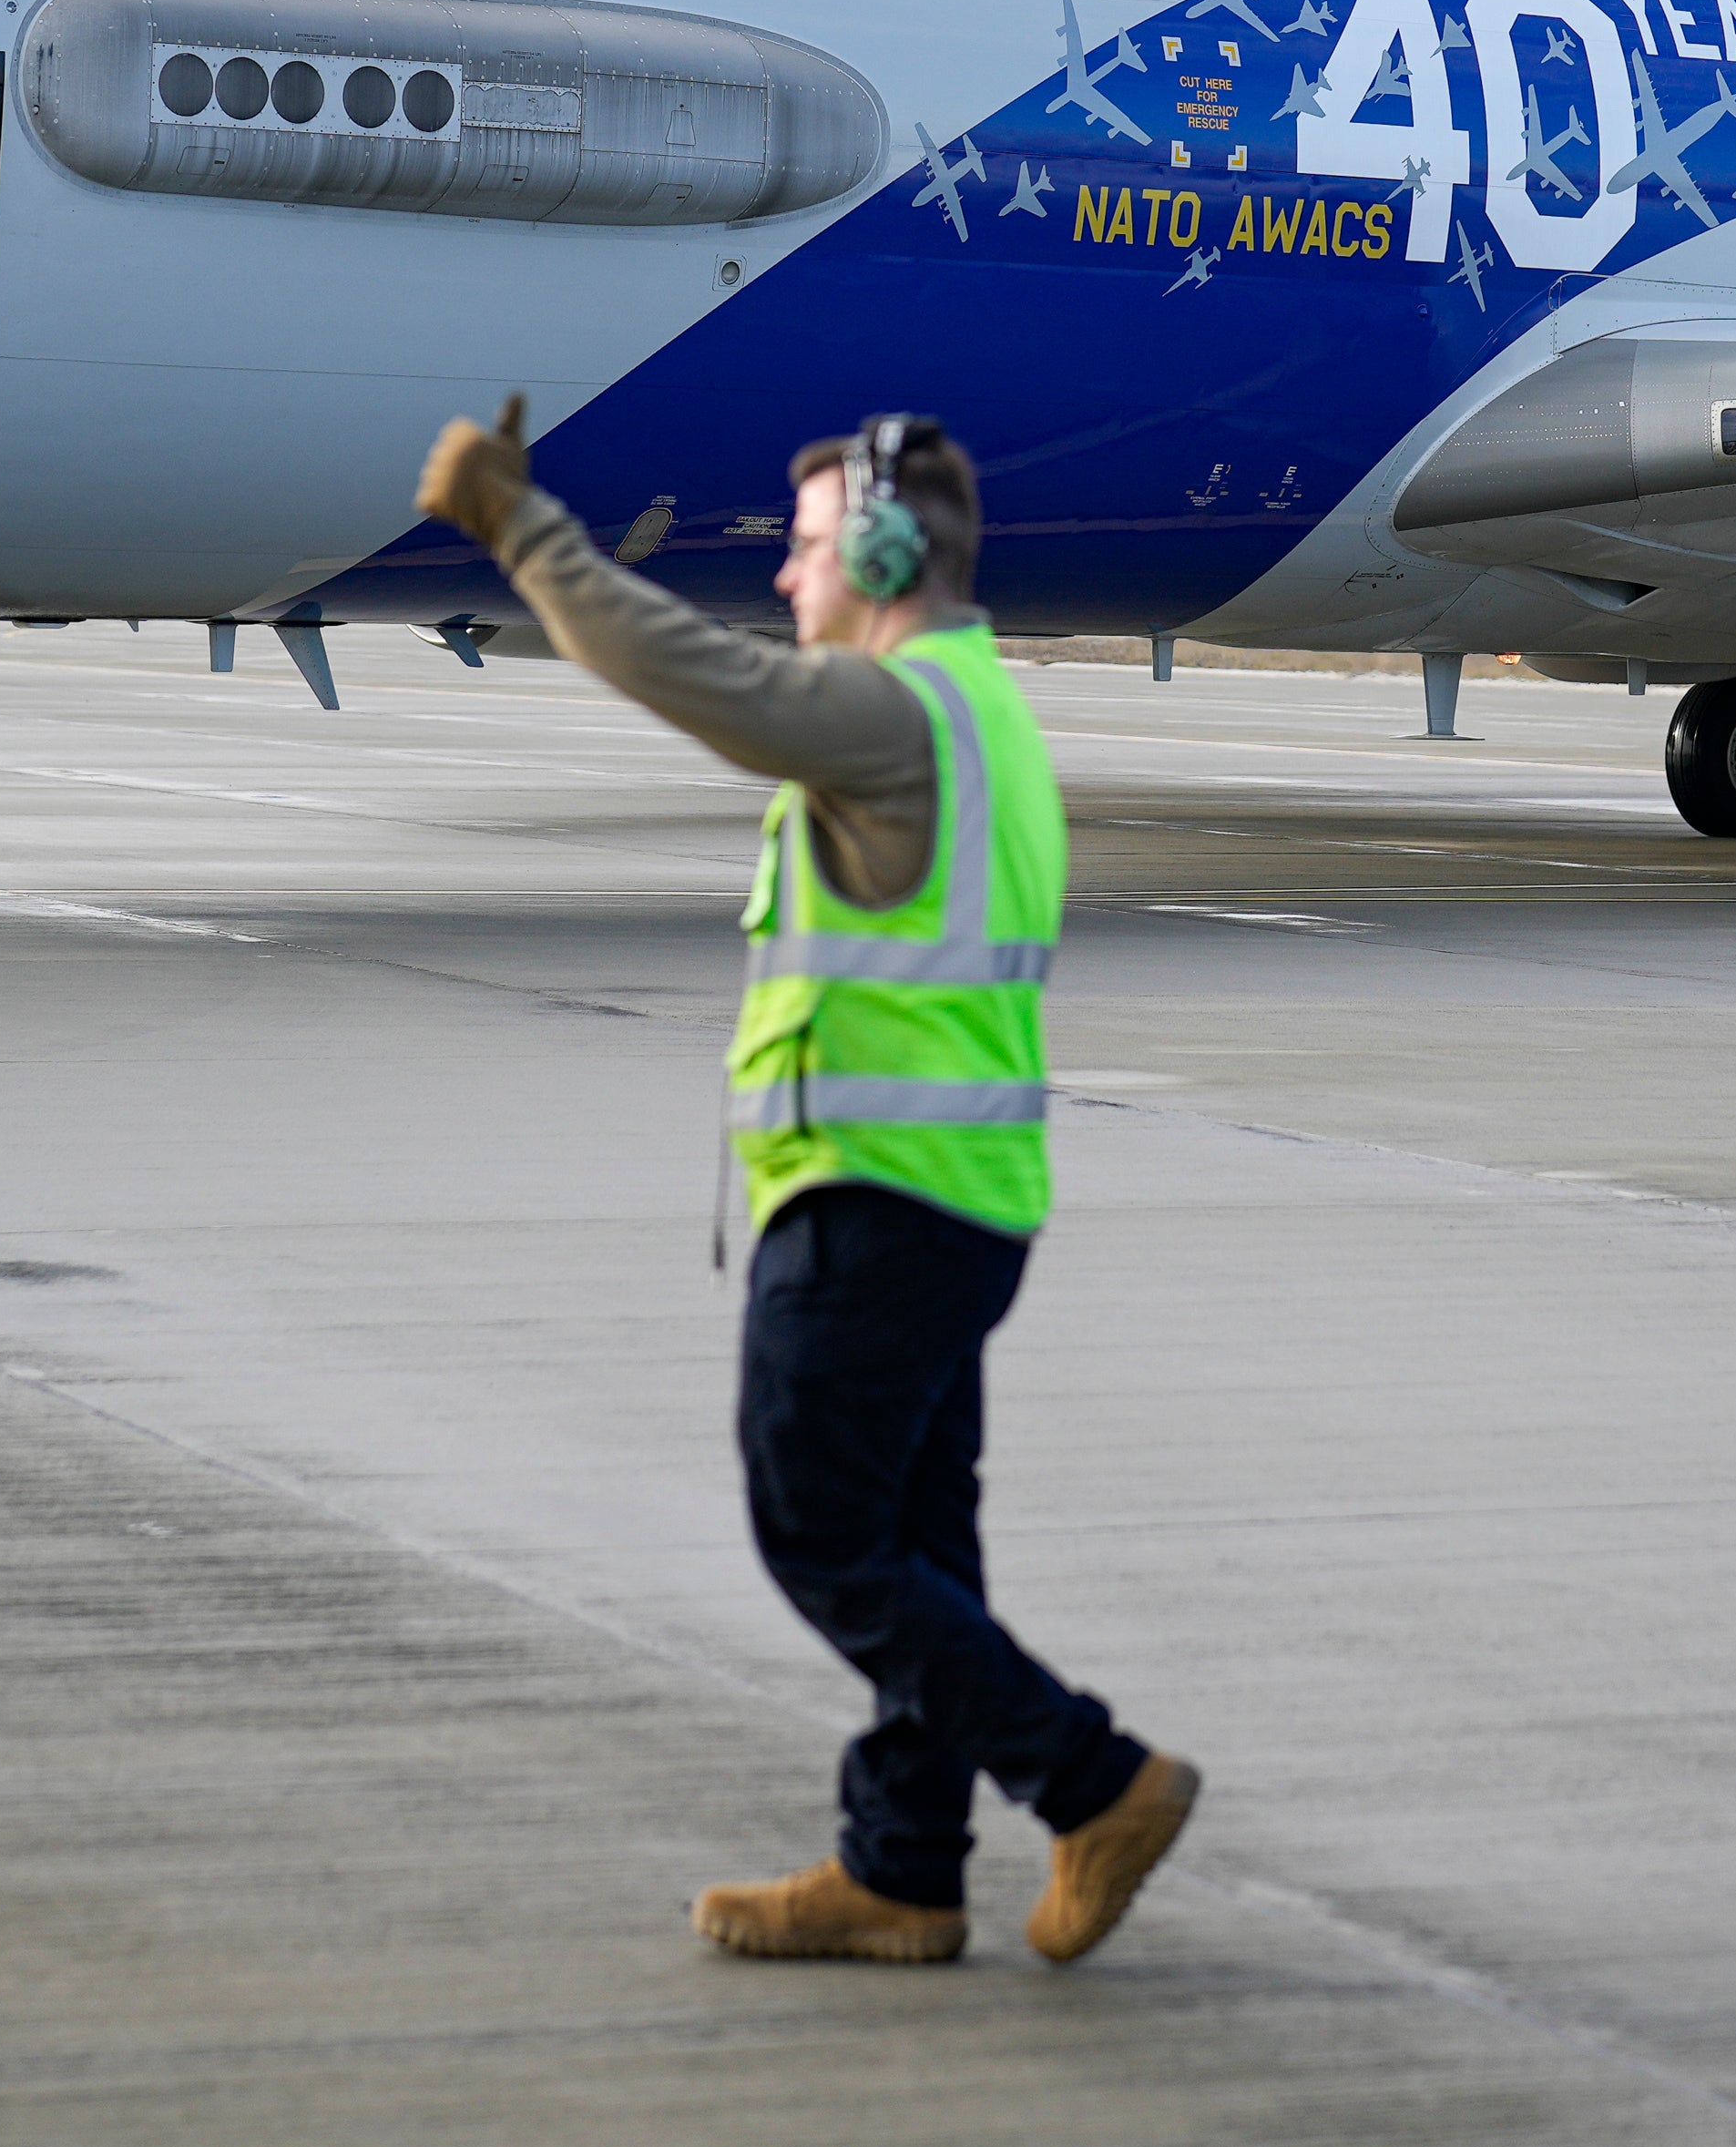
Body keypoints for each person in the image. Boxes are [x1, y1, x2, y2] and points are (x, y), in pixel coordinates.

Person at [413, 396, 1198, 1968]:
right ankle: (901, 1868)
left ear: (889, 551)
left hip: (872, 1198)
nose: (781, 578)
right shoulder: (981, 715)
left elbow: (682, 669)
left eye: (804, 545)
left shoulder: (891, 713)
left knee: (820, 1535)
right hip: (961, 1198)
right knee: (921, 1550)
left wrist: (518, 524)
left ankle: (1094, 1781)